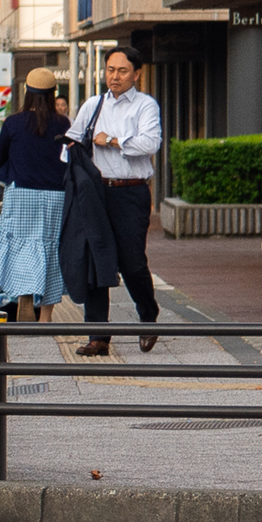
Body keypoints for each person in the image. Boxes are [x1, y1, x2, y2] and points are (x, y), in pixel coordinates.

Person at [67, 46, 164, 355]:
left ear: (137, 74)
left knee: (132, 261)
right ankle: (98, 335)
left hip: (131, 192)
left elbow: (150, 143)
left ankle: (148, 314)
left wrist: (111, 140)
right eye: (110, 69)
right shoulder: (93, 105)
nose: (114, 76)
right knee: (95, 259)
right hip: (96, 193)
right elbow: (72, 141)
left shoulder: (145, 106)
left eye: (122, 71)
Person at [0, 70, 69, 321]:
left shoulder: (13, 123)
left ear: (26, 92)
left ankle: (25, 297)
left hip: (22, 194)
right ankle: (47, 315)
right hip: (55, 196)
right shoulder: (63, 123)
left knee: (20, 248)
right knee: (50, 249)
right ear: (53, 95)